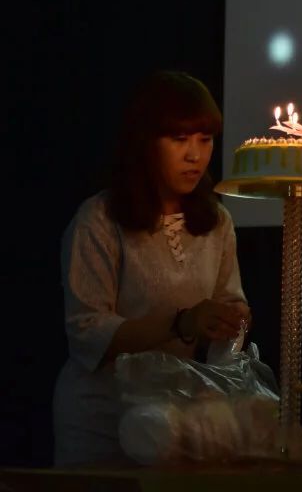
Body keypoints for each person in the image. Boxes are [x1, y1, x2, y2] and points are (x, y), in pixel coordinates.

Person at [53, 71, 250, 466]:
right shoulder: (100, 220)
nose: (195, 155)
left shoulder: (217, 221)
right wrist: (183, 322)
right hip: (103, 417)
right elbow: (88, 330)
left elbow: (230, 301)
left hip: (177, 417)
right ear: (145, 143)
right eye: (179, 139)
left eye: (205, 140)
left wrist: (231, 321)